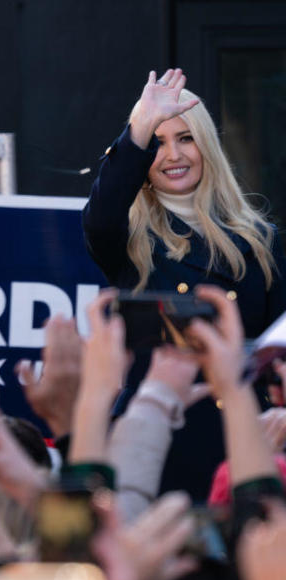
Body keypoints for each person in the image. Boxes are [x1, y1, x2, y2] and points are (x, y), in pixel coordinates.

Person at [81, 68, 286, 500]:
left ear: (206, 146)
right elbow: (102, 214)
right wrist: (139, 125)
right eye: (157, 142)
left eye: (186, 138)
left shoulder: (263, 240)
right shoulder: (129, 239)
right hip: (160, 446)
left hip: (243, 441)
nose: (173, 154)